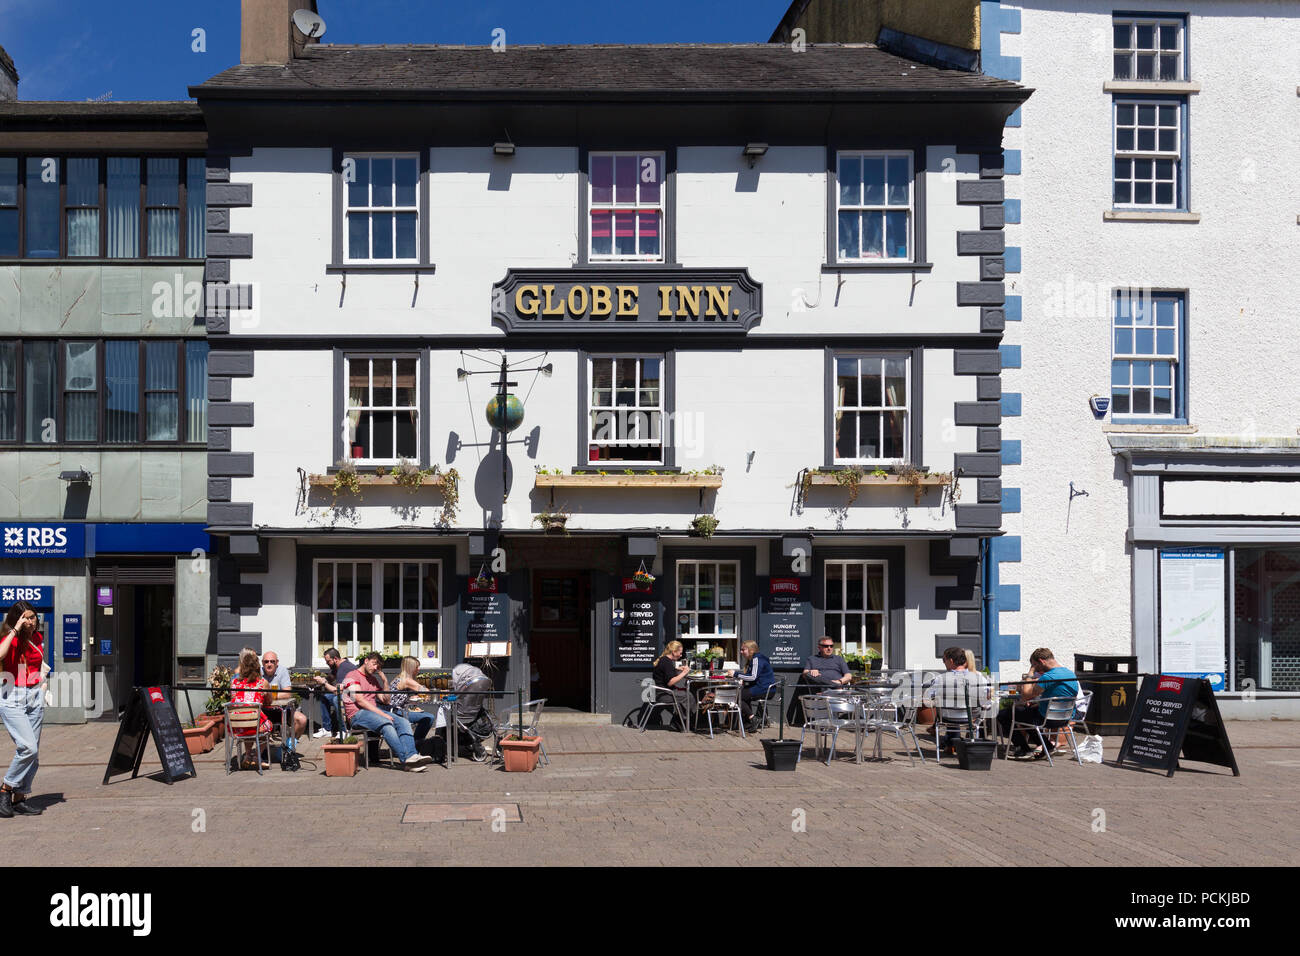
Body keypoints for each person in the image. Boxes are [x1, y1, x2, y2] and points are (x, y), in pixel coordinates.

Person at [342, 653, 431, 770]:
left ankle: (412, 756)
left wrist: (384, 681)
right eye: (373, 664)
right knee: (387, 724)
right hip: (357, 714)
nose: (375, 668)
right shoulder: (352, 676)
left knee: (403, 722)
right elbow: (360, 701)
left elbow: (386, 701)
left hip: (373, 712)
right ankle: (406, 761)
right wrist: (382, 714)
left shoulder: (373, 679)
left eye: (377, 666)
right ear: (366, 661)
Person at [0, 601, 45, 816]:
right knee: (28, 747)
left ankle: (19, 798)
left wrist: (42, 687)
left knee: (33, 755)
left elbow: (37, 666)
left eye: (32, 617)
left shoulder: (37, 638)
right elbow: (0, 656)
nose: (30, 621)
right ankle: (5, 789)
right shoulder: (10, 638)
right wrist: (15, 629)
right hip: (12, 696)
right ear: (17, 619)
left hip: (34, 695)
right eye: (25, 617)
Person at [997, 647, 1079, 758]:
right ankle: (1047, 746)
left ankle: (1023, 749)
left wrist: (1030, 673)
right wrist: (1040, 703)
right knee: (1025, 713)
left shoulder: (1048, 676)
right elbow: (1060, 696)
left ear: (1041, 661)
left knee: (1004, 714)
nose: (1037, 670)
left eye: (1035, 665)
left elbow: (1026, 695)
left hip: (1048, 718)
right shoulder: (1069, 673)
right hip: (1065, 717)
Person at [925, 646, 993, 752]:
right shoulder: (979, 678)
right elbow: (987, 703)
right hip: (972, 718)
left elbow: (927, 699)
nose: (944, 663)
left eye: (944, 660)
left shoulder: (940, 679)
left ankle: (951, 744)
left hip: (947, 717)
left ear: (951, 661)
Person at [230, 648, 274, 770]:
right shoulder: (262, 683)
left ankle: (247, 756)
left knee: (247, 723)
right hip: (254, 725)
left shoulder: (234, 683)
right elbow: (269, 701)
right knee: (267, 725)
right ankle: (257, 757)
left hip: (236, 726)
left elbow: (233, 700)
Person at [386, 656, 437, 743]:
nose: (419, 669)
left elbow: (398, 697)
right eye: (417, 667)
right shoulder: (407, 680)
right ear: (411, 668)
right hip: (396, 712)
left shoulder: (399, 678)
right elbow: (425, 690)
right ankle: (416, 743)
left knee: (426, 716)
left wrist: (410, 698)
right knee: (428, 718)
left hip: (393, 710)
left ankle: (415, 742)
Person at [729, 640, 776, 731]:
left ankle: (753, 719)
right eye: (741, 649)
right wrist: (742, 678)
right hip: (761, 687)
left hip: (765, 689)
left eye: (743, 650)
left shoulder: (757, 659)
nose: (741, 652)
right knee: (741, 693)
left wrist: (735, 674)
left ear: (751, 650)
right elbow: (753, 676)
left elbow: (753, 677)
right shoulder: (754, 659)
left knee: (738, 696)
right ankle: (748, 722)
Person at [311, 648, 358, 738]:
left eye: (328, 661)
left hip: (356, 697)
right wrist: (325, 679)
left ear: (335, 659)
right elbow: (332, 676)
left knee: (337, 699)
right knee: (325, 697)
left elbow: (338, 691)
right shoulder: (340, 665)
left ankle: (344, 731)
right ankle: (327, 729)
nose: (327, 664)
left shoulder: (344, 668)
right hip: (348, 694)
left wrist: (324, 683)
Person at [260, 652, 307, 739]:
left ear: (277, 662)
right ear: (262, 663)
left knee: (302, 720)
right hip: (263, 711)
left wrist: (270, 695)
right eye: (266, 662)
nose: (269, 664)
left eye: (272, 661)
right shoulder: (258, 672)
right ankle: (259, 750)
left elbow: (287, 693)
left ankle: (289, 746)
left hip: (281, 710)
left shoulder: (282, 670)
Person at [651, 640, 693, 730]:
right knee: (688, 696)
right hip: (663, 694)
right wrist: (684, 672)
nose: (681, 655)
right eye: (680, 653)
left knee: (687, 695)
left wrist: (676, 669)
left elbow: (666, 673)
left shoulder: (664, 660)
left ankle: (680, 723)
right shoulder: (667, 662)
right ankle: (680, 723)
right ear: (674, 652)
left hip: (662, 692)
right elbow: (670, 682)